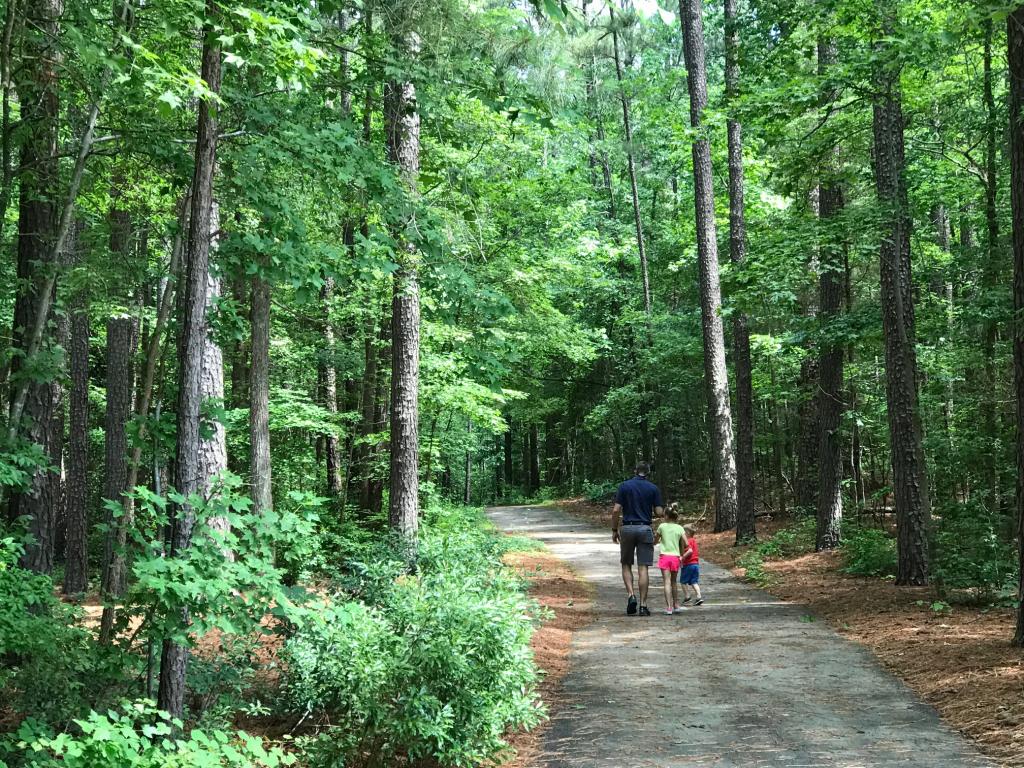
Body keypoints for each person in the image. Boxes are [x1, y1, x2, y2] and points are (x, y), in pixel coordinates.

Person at [611, 461, 663, 616]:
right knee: (643, 567)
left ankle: (631, 595)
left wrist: (614, 529)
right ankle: (643, 606)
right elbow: (659, 512)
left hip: (627, 528)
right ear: (648, 472)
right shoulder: (653, 488)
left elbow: (616, 510)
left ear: (635, 471)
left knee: (626, 563)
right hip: (645, 528)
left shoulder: (624, 486)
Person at [654, 506, 686, 615]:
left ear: (667, 516)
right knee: (674, 582)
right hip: (675, 557)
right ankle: (676, 605)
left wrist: (654, 542)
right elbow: (686, 543)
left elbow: (655, 540)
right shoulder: (679, 528)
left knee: (666, 582)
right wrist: (681, 550)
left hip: (665, 557)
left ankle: (668, 608)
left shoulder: (662, 526)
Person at [678, 523, 704, 606]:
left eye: (683, 533)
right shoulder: (693, 541)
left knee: (683, 582)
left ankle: (687, 596)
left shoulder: (688, 541)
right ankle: (699, 597)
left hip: (688, 565)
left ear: (687, 533)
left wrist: (682, 557)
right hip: (695, 565)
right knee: (694, 582)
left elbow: (690, 551)